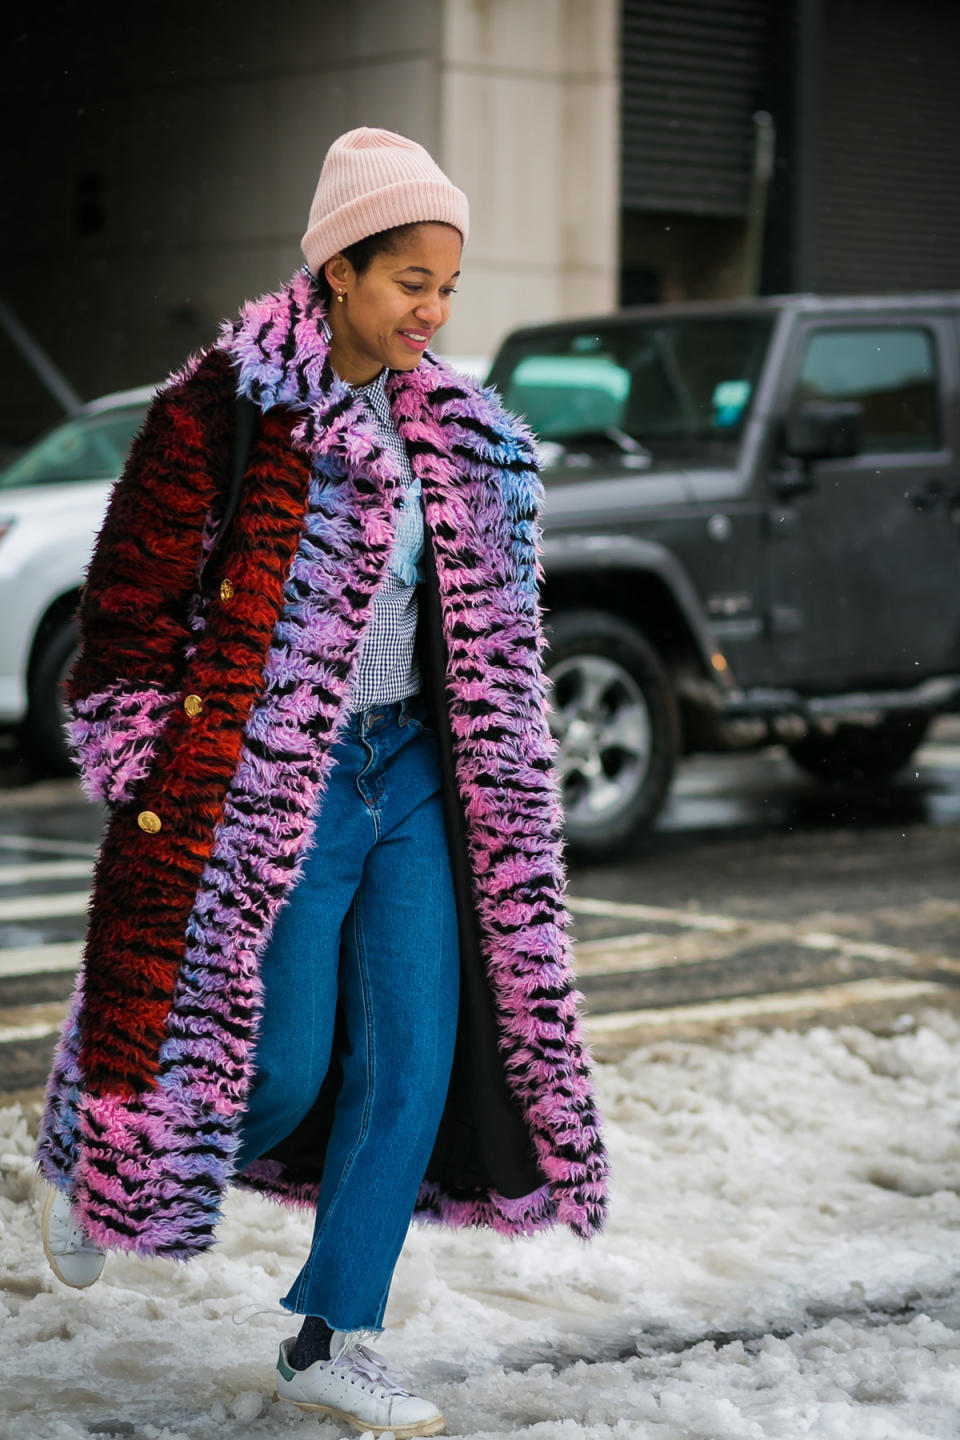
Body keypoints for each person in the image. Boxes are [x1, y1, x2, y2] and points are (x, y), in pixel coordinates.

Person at [35, 126, 608, 1437]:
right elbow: (123, 620)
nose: (435, 310)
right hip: (267, 789)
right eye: (411, 278)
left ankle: (332, 1337)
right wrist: (169, 780)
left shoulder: (470, 438)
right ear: (339, 269)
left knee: (409, 1061)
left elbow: (496, 635)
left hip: (410, 772)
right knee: (281, 1072)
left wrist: (505, 787)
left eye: (449, 285)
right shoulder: (221, 415)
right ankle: (105, 1136)